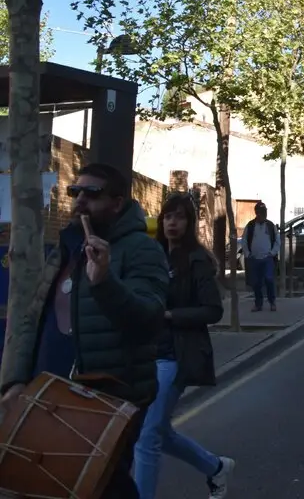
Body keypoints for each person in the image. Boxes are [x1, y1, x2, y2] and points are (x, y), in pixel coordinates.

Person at [0, 163, 169, 498]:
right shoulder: (66, 247)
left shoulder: (141, 250)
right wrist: (16, 379)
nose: (80, 201)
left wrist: (105, 281)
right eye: (74, 192)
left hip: (107, 392)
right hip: (50, 389)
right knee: (44, 481)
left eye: (92, 194)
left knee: (100, 485)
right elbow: (32, 318)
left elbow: (148, 318)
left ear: (117, 202)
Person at [134, 192, 234, 498]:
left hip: (175, 355)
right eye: (167, 216)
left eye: (179, 217)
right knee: (159, 433)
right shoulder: (152, 255)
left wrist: (170, 314)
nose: (171, 223)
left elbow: (213, 310)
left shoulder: (197, 261)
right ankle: (216, 467)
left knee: (147, 435)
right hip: (145, 353)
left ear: (189, 223)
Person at [241, 201, 277, 311]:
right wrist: (247, 254)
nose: (263, 215)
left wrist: (272, 253)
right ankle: (258, 304)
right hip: (254, 259)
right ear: (256, 213)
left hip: (267, 258)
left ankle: (272, 302)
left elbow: (277, 241)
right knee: (256, 282)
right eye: (261, 212)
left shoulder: (270, 225)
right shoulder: (251, 226)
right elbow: (244, 240)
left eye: (264, 212)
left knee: (269, 279)